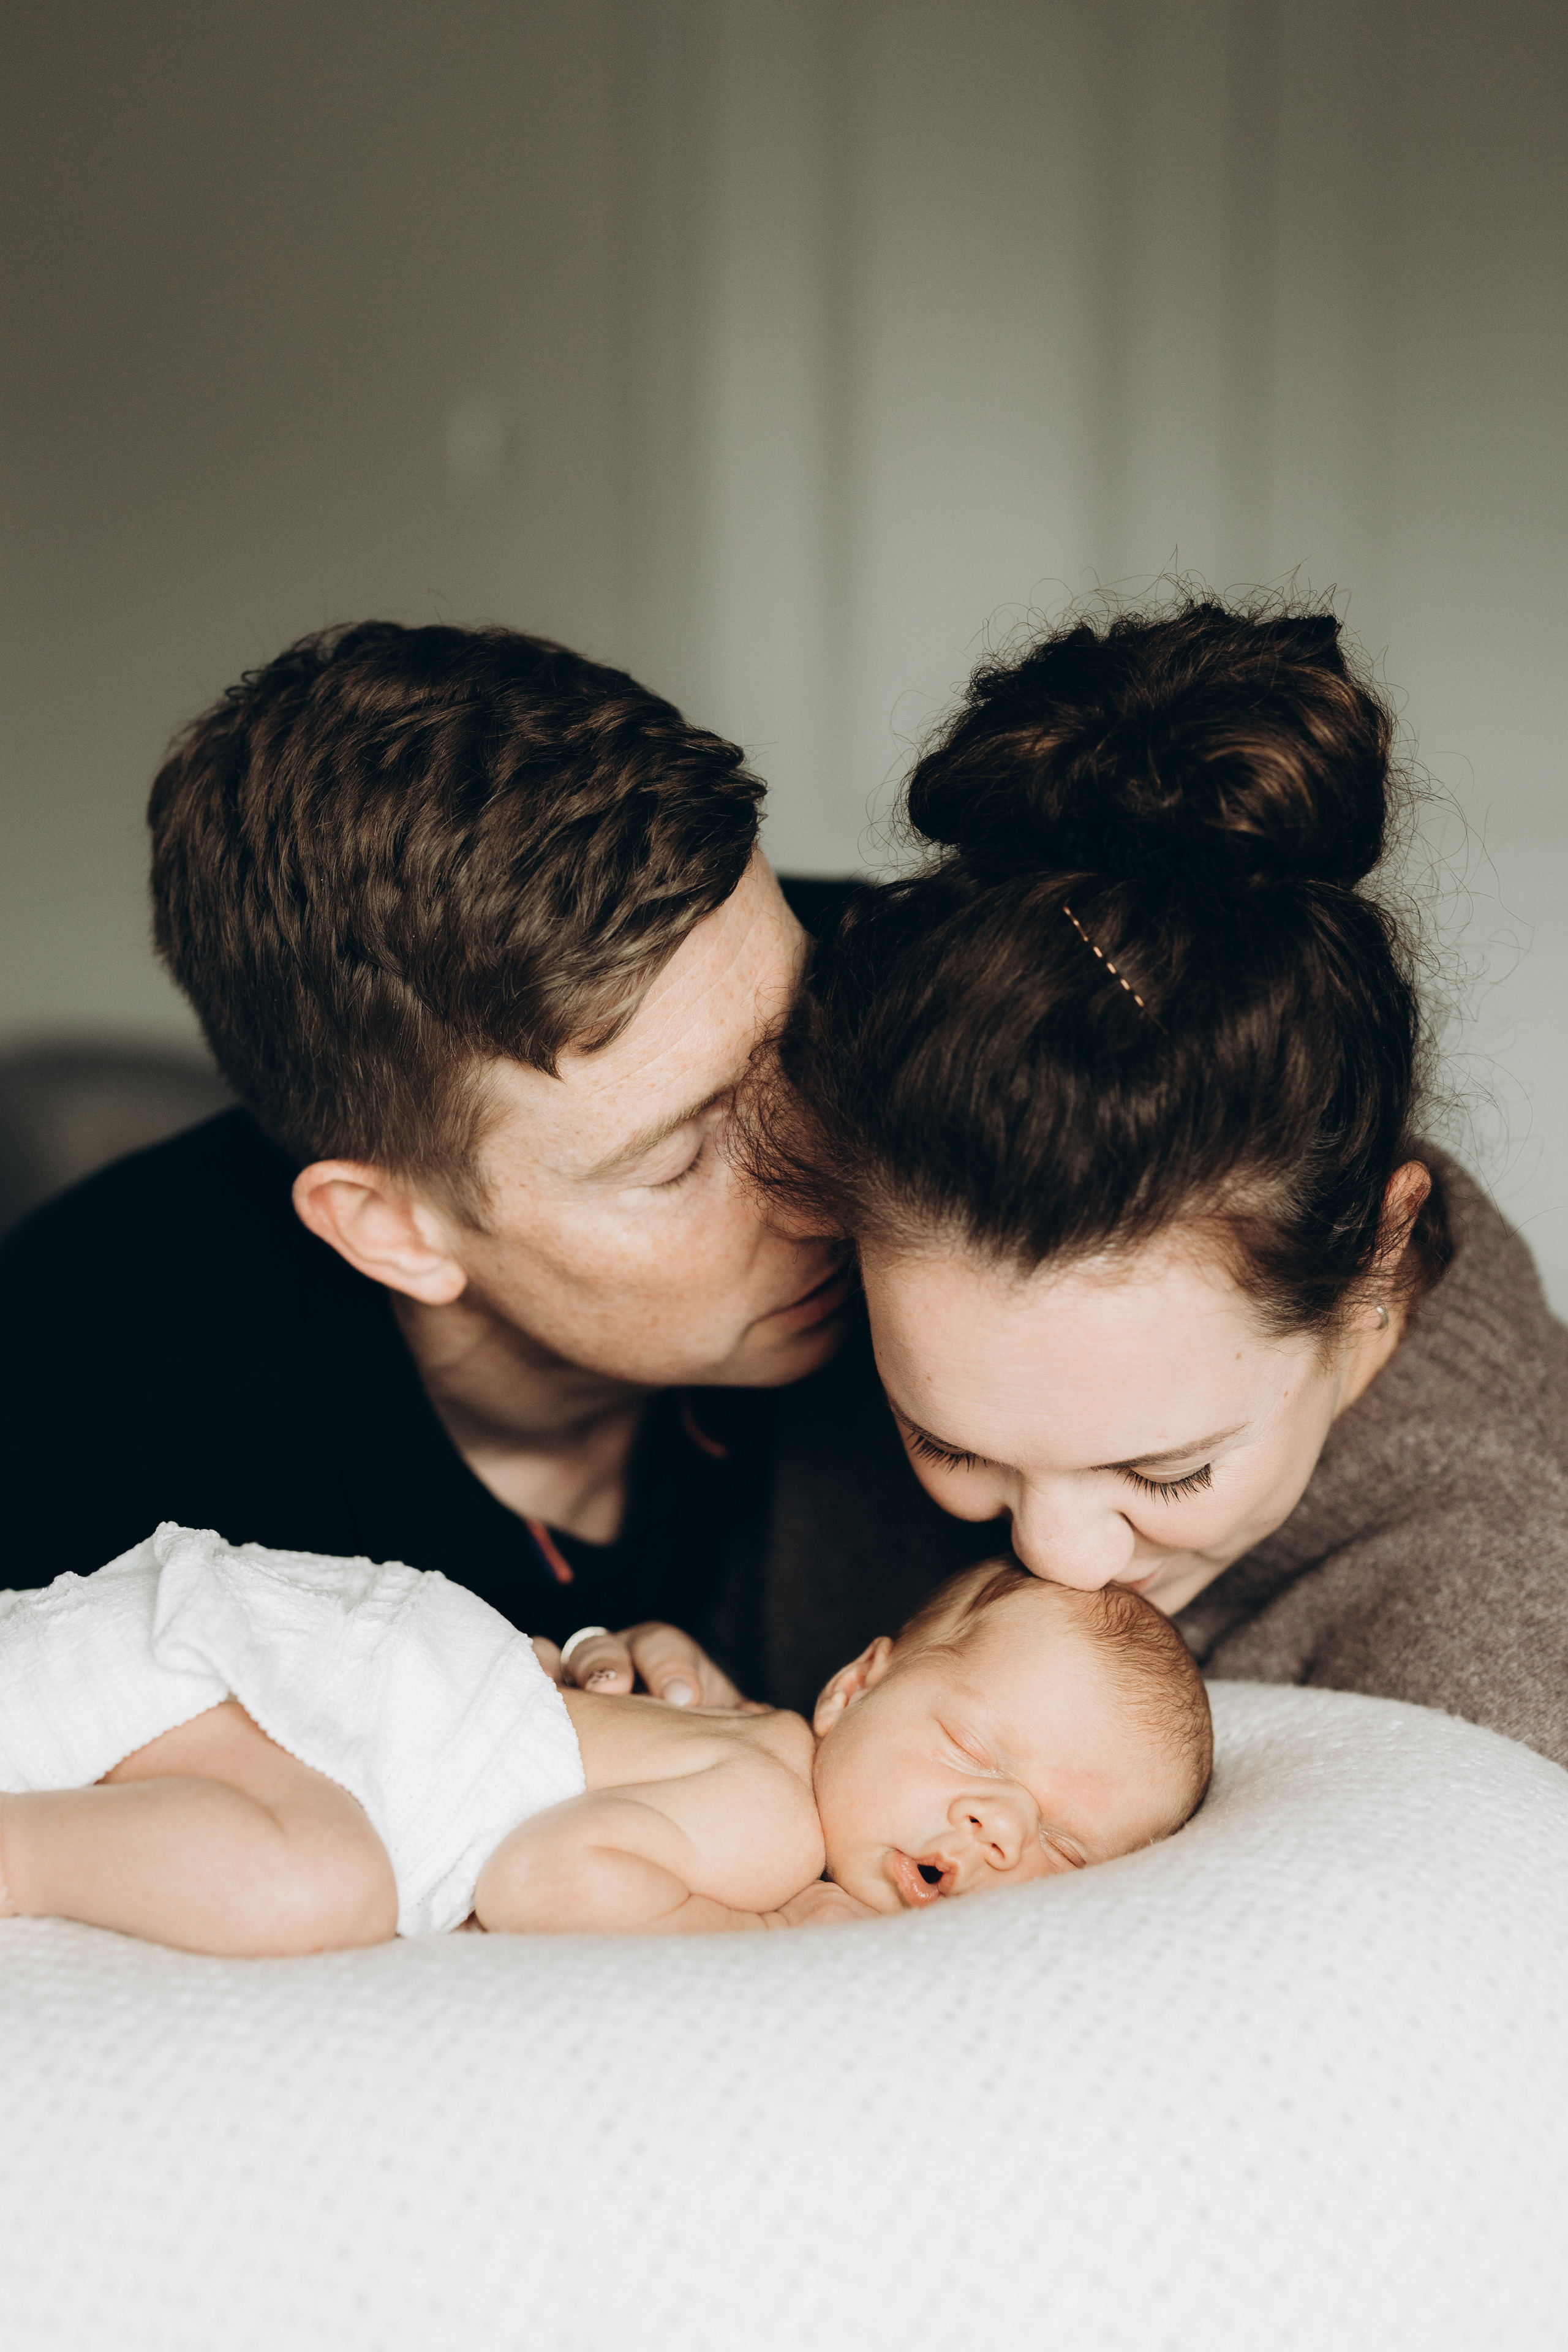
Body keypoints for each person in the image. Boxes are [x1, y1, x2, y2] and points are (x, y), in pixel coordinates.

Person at [0, 624, 997, 1705]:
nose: (828, 1185)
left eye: (804, 1042)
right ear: (391, 1229)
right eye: (675, 1161)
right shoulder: (87, 1469)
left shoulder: (931, 1002)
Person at [747, 599, 1568, 1768]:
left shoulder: (1502, 1660)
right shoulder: (838, 1278)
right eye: (949, 1447)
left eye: (1167, 1472)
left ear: (1378, 1256)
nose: (1058, 1553)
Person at [0, 1525, 1210, 1949]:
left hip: (269, 1665)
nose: (997, 1828)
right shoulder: (770, 1827)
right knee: (310, 1883)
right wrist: (767, 1935)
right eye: (975, 1753)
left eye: (1065, 1847)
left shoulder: (750, 1753)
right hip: (285, 1690)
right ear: (852, 1688)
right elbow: (546, 1878)